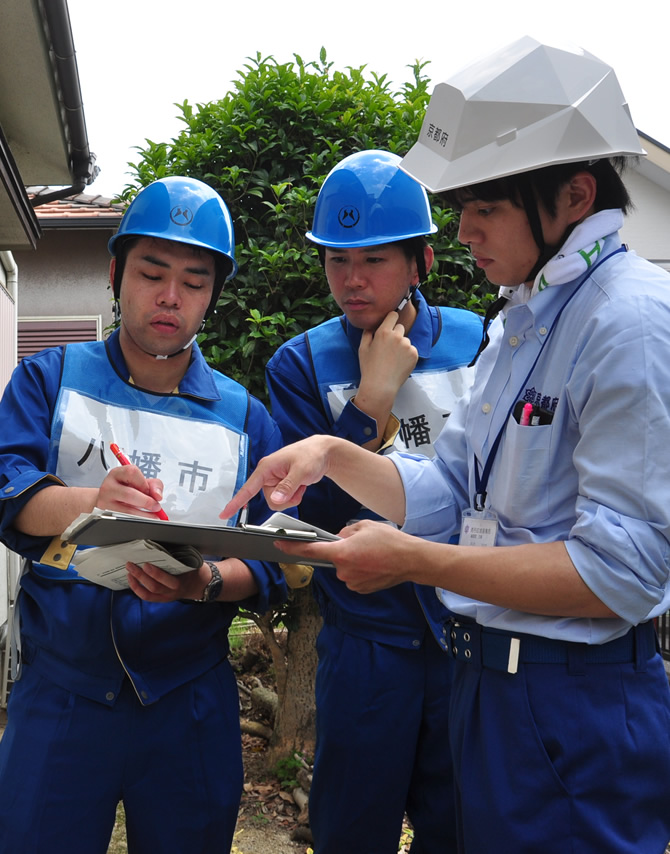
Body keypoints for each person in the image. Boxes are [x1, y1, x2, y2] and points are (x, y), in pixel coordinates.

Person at [223, 38, 670, 854]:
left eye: (485, 208)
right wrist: (333, 452)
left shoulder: (628, 322)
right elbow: (450, 490)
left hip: (569, 701)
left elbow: (623, 570)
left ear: (573, 194)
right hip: (486, 684)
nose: (460, 231)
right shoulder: (521, 324)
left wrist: (416, 563)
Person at [0, 176, 287, 854]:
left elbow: (276, 557)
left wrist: (205, 583)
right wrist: (89, 502)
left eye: (193, 281)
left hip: (189, 698)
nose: (170, 297)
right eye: (152, 273)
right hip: (62, 688)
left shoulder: (247, 419)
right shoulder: (51, 379)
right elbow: (6, 486)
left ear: (213, 294)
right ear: (114, 274)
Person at [265, 149, 482, 853]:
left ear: (420, 260)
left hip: (467, 633)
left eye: (375, 260)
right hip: (367, 644)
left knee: (463, 829)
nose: (352, 281)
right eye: (336, 260)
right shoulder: (300, 362)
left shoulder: (481, 342)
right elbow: (312, 515)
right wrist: (370, 401)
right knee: (351, 831)